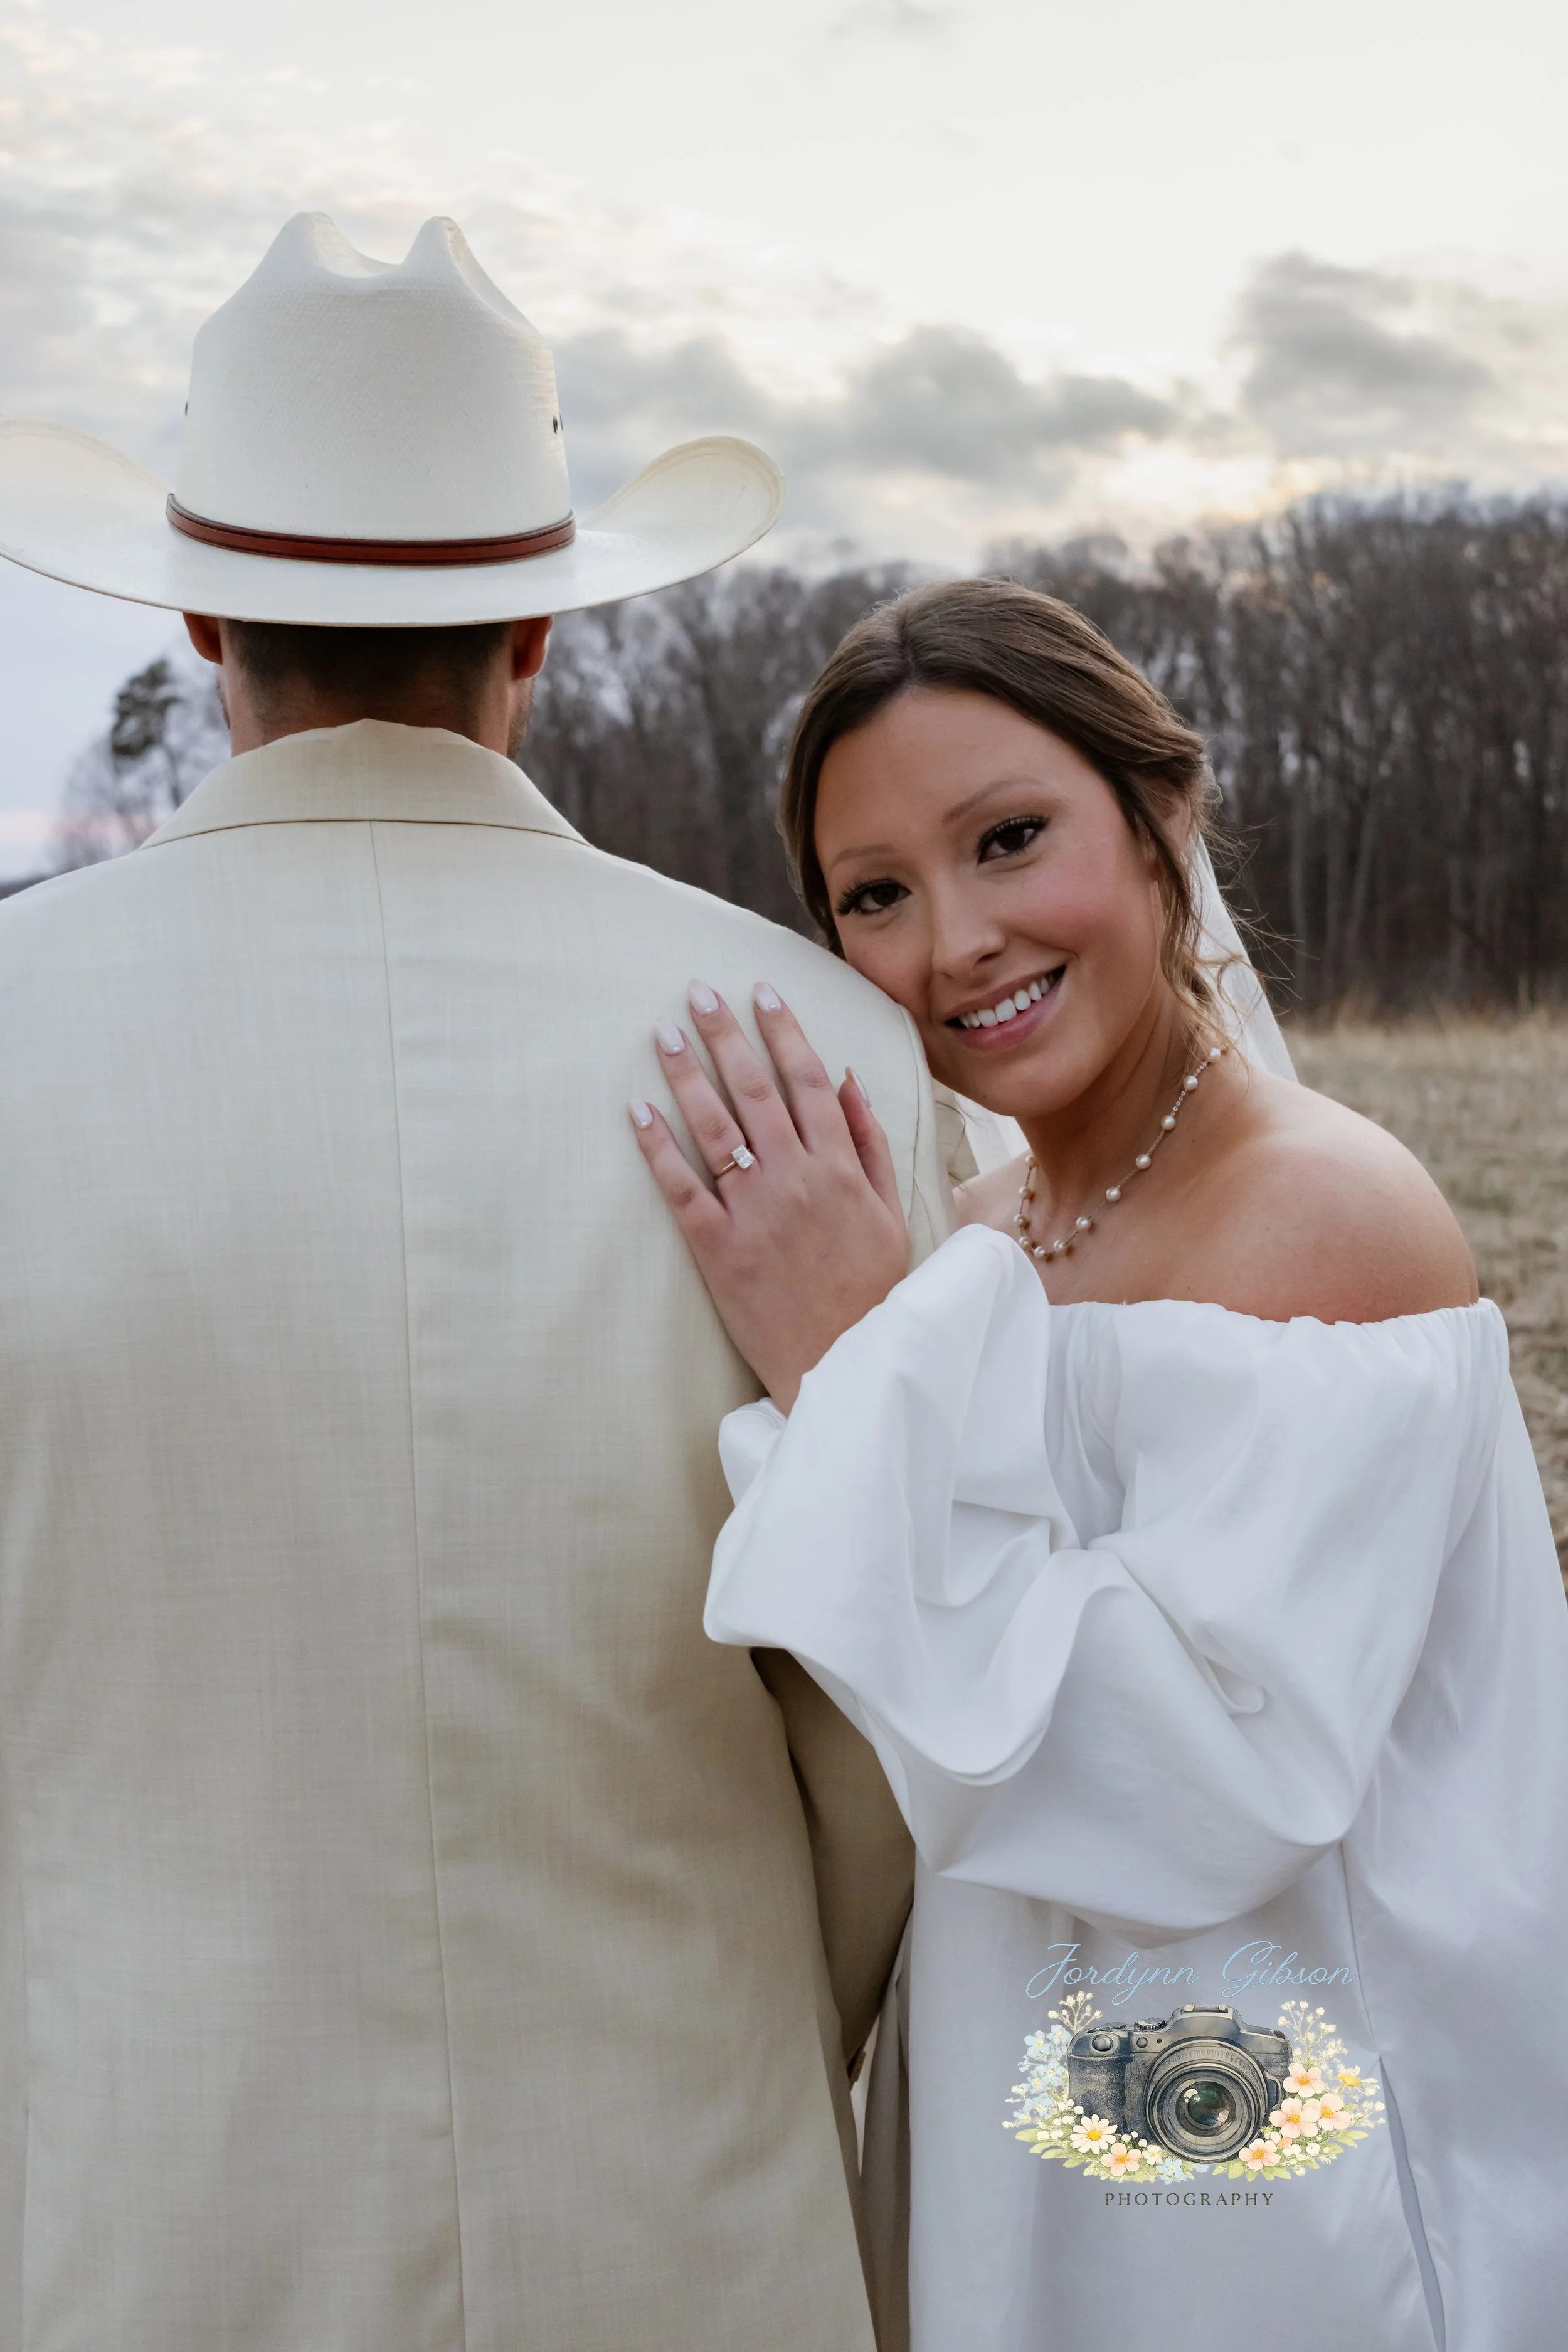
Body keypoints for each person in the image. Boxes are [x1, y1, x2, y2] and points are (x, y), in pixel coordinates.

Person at [0, 214, 955, 2352]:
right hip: (686, 2206)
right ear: (538, 623)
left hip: (130, 2211)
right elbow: (913, 1715)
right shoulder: (822, 1051)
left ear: (196, 610)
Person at [631, 578, 1568, 2352]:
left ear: (1161, 820)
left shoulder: (1320, 1210)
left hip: (1272, 2134)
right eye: (876, 895)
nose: (955, 938)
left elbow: (1213, 1776)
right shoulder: (977, 1232)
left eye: (1007, 839)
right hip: (1023, 2091)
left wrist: (850, 1374)